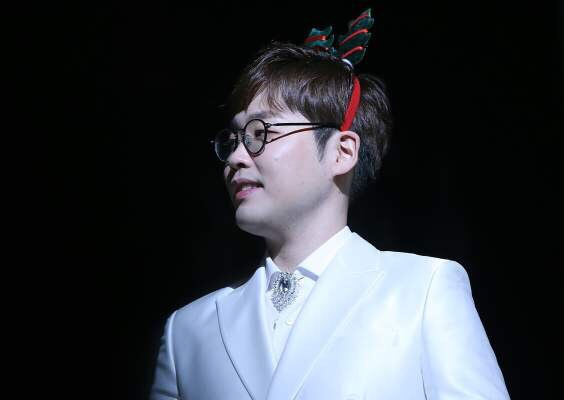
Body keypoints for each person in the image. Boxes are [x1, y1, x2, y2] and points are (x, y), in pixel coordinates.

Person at [150, 9, 510, 400]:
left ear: (342, 152)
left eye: (259, 133)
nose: (236, 157)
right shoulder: (188, 331)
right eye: (232, 140)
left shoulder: (422, 290)